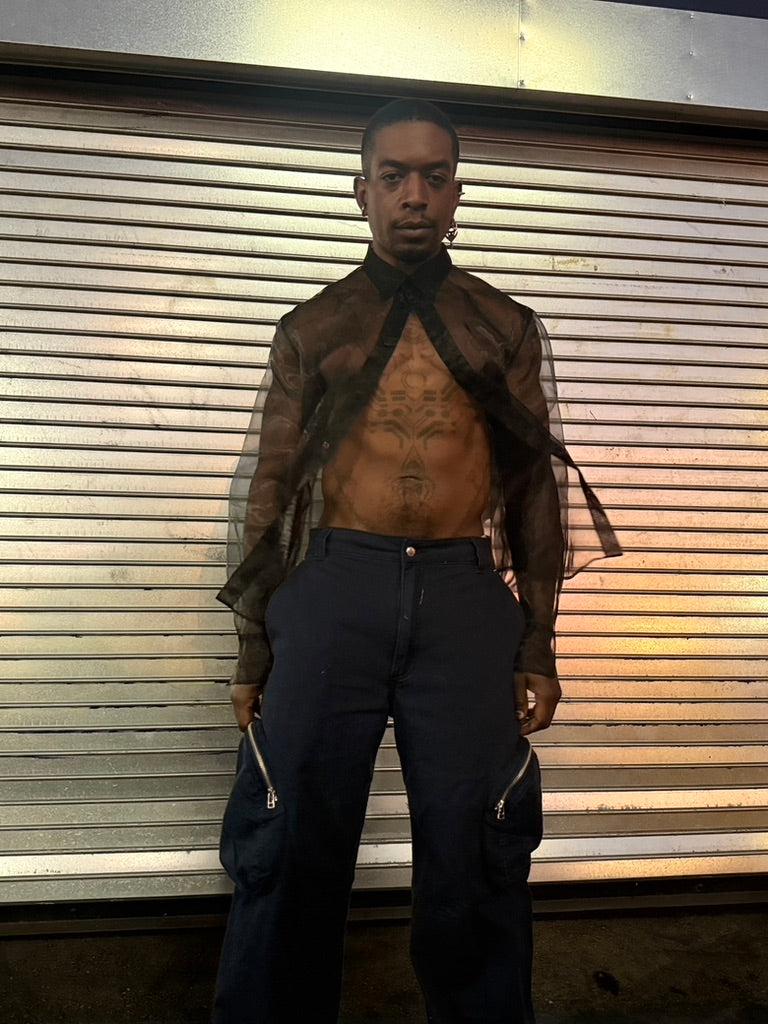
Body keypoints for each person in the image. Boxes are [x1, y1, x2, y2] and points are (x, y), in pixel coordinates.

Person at [211, 98, 620, 1024]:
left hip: (460, 596)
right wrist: (254, 647)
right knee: (289, 835)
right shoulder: (314, 326)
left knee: (477, 843)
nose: (414, 196)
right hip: (334, 590)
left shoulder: (503, 325)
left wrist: (538, 641)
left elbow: (534, 485)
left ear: (457, 194)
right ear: (361, 193)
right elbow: (270, 487)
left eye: (435, 177)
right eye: (393, 176)